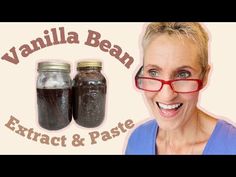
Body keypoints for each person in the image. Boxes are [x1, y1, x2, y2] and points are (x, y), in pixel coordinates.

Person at [125, 22, 236, 155]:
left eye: (183, 74)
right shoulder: (137, 140)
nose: (166, 95)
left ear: (205, 76)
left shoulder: (231, 146)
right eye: (153, 72)